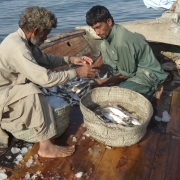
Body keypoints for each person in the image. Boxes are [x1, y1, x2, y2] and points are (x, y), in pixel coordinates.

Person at [0, 6, 99, 158]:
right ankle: (45, 147)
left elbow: (45, 60)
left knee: (33, 87)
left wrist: (71, 60)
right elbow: (45, 80)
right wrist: (77, 72)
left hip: (11, 90)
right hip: (3, 97)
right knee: (32, 91)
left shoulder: (26, 41)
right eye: (45, 35)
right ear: (35, 30)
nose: (46, 39)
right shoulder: (18, 47)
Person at [86, 5, 168, 106]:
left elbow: (126, 74)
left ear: (109, 22)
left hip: (147, 75)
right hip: (130, 71)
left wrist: (101, 82)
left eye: (98, 27)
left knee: (114, 98)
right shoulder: (109, 34)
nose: (97, 33)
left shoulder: (121, 43)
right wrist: (92, 69)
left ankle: (155, 89)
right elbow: (104, 54)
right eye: (94, 29)